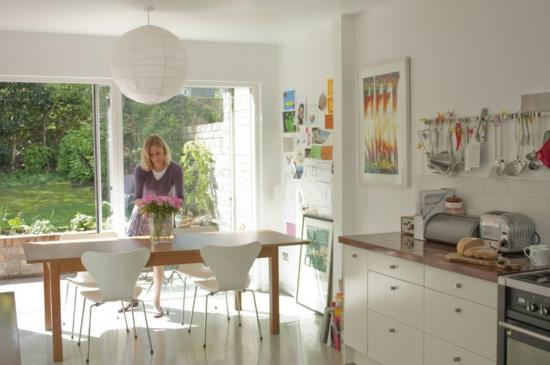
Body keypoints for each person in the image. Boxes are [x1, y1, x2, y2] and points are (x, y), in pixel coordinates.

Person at [125, 134, 184, 318]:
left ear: (164, 151)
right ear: (147, 155)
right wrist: (151, 203)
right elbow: (138, 200)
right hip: (142, 216)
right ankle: (130, 298)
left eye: (158, 153)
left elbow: (180, 200)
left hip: (162, 218)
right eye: (151, 154)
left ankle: (156, 303)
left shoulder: (175, 169)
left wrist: (163, 202)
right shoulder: (142, 170)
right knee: (131, 258)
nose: (156, 158)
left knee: (158, 263)